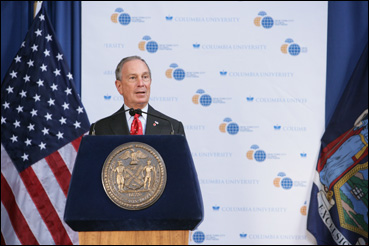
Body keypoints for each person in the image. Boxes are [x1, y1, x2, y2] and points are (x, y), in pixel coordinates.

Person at [89, 56, 185, 136]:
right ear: (119, 86)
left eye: (145, 77)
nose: (141, 84)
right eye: (133, 78)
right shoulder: (99, 129)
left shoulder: (172, 127)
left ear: (150, 82)